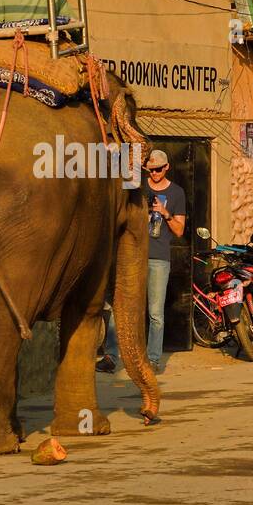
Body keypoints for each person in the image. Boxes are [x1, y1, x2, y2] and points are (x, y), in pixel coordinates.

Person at [100, 149, 186, 371]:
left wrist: (165, 213)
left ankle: (153, 359)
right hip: (130, 256)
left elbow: (179, 230)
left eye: (159, 169)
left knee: (155, 313)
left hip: (158, 258)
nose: (154, 173)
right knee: (120, 306)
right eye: (151, 169)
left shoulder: (177, 193)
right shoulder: (137, 187)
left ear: (167, 167)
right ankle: (111, 355)